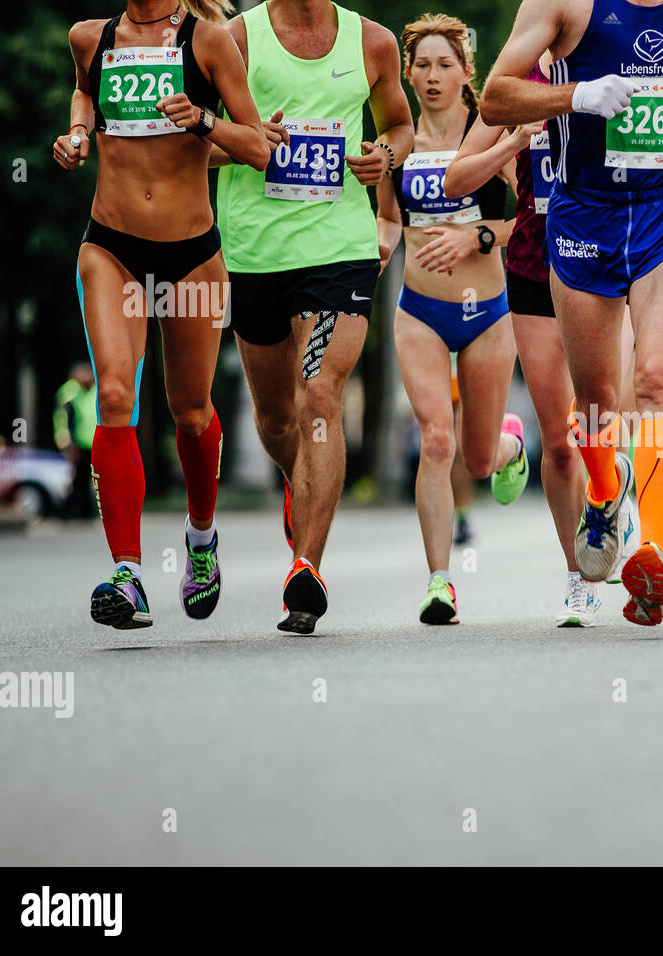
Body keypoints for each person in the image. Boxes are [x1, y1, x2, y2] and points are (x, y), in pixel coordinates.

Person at [480, 0, 663, 626]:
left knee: (657, 377)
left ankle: (651, 551)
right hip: (584, 216)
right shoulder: (561, 4)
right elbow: (495, 98)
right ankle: (605, 495)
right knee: (597, 400)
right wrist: (576, 95)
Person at [55, 0, 269, 629]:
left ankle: (201, 540)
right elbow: (82, 96)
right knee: (115, 393)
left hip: (191, 256)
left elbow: (257, 146)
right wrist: (76, 135)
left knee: (192, 409)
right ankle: (128, 574)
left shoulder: (210, 44)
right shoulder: (89, 38)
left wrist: (204, 119)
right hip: (110, 246)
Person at [214, 0, 414, 634]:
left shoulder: (373, 42)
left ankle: (307, 568)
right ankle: (300, 486)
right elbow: (193, 142)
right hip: (255, 253)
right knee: (278, 421)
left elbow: (401, 127)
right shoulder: (234, 40)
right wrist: (250, 144)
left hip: (340, 253)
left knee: (321, 397)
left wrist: (385, 157)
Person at [447, 52, 637, 627]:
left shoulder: (620, 61)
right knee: (559, 439)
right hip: (535, 266)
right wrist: (513, 144)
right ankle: (579, 576)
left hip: (607, 262)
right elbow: (457, 176)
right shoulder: (518, 81)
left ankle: (611, 495)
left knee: (605, 417)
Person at [376, 14, 527, 625]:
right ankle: (440, 583)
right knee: (436, 439)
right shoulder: (397, 142)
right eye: (422, 65)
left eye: (445, 64)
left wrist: (477, 237)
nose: (433, 76)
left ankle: (510, 445)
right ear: (408, 74)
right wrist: (375, 253)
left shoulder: (492, 132)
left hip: (489, 314)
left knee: (478, 458)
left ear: (467, 71)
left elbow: (528, 223)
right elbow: (388, 220)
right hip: (419, 313)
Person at [54, 362, 99, 521]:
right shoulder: (70, 391)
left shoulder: (94, 390)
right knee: (77, 478)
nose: (88, 377)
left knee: (87, 478)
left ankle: (85, 511)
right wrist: (67, 442)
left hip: (93, 443)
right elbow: (63, 419)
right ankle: (69, 511)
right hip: (77, 444)